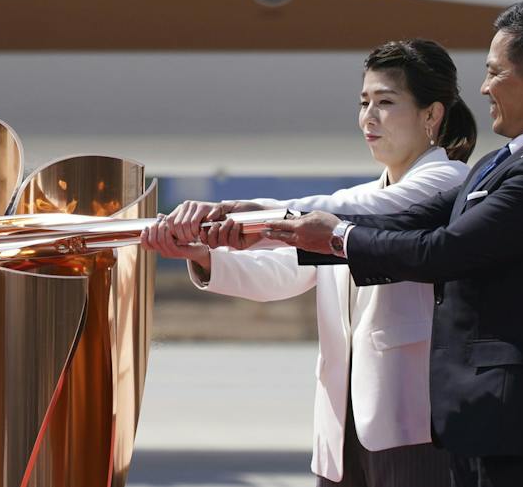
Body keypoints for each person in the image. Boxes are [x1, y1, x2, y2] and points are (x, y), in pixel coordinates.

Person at [257, 0, 523, 487]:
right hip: (481, 424)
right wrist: (272, 223)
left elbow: (445, 250)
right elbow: (406, 219)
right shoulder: (501, 162)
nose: (483, 87)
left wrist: (337, 237)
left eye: (494, 72)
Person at [143, 39, 474, 486]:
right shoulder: (362, 196)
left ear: (431, 115)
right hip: (344, 424)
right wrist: (204, 254)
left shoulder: (447, 180)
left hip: (413, 422)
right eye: (364, 103)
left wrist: (240, 213)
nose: (369, 118)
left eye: (386, 102)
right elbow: (284, 273)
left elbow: (349, 214)